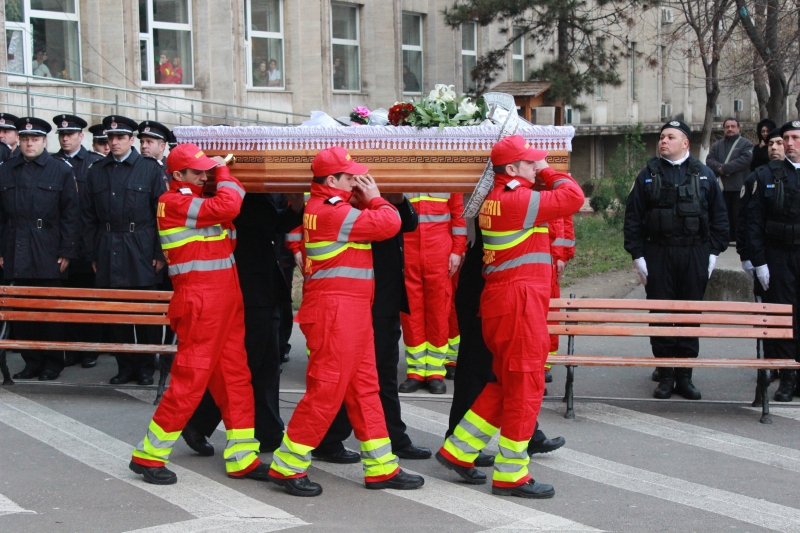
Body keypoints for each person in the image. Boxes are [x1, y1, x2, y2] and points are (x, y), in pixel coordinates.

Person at [267, 147, 424, 497]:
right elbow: (390, 223)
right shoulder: (331, 211)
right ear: (332, 180)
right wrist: (376, 198)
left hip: (346, 311)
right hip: (336, 313)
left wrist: (362, 197)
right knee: (326, 391)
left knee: (365, 388)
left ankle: (381, 466)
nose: (358, 179)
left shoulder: (329, 206)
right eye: (350, 175)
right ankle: (287, 465)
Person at [437, 135, 584, 499]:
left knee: (504, 383)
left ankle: (459, 449)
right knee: (526, 386)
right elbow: (574, 198)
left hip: (506, 301)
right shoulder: (517, 198)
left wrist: (538, 169)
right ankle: (511, 475)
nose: (537, 165)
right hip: (518, 303)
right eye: (531, 162)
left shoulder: (500, 197)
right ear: (512, 169)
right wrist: (550, 172)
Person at [130, 143, 271, 485]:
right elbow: (228, 204)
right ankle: (148, 456)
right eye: (198, 172)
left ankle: (242, 457)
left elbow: (224, 227)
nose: (205, 175)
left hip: (223, 300)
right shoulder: (173, 201)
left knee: (236, 379)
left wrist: (214, 175)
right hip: (201, 302)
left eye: (207, 169)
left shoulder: (196, 200)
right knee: (190, 380)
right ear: (177, 175)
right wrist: (224, 171)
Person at [311, 193, 433, 463]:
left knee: (383, 372)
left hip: (385, 298)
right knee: (360, 376)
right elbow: (387, 224)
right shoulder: (349, 207)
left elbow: (408, 223)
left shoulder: (381, 201)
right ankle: (329, 439)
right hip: (366, 299)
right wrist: (376, 198)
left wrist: (397, 198)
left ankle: (391, 437)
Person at [182, 190, 303, 457]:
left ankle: (268, 431)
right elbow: (268, 223)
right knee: (247, 365)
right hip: (248, 290)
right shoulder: (242, 196)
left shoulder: (259, 194)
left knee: (268, 364)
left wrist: (295, 207)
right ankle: (197, 422)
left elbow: (274, 226)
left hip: (265, 287)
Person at [446, 215, 566, 469]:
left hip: (497, 291)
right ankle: (463, 442)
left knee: (502, 376)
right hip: (491, 292)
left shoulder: (507, 196)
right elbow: (569, 198)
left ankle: (465, 445)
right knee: (481, 370)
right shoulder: (510, 198)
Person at [625, 120, 728, 400]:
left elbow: (720, 217)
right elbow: (633, 218)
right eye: (661, 137)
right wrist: (638, 256)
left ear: (685, 143)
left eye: (670, 137)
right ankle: (665, 374)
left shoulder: (704, 175)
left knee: (689, 314)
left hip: (694, 253)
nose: (663, 141)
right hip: (658, 253)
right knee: (661, 314)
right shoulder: (647, 175)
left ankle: (685, 374)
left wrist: (712, 253)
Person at [83, 116, 167, 386]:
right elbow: (87, 217)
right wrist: (94, 254)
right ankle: (124, 366)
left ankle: (145, 366)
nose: (115, 142)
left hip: (139, 245)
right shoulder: (96, 170)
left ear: (132, 140)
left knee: (145, 312)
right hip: (108, 246)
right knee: (115, 313)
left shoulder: (150, 169)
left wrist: (159, 252)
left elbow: (161, 214)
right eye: (111, 138)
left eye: (120, 137)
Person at [1, 117, 80, 380]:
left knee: (50, 309)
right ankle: (31, 360)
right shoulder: (7, 169)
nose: (29, 143)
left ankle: (52, 362)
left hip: (48, 245)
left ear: (45, 141)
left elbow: (71, 213)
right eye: (24, 139)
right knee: (22, 310)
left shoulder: (60, 170)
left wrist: (67, 250)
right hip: (16, 244)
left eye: (34, 139)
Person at [746, 120, 800, 402]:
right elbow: (754, 222)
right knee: (783, 317)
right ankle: (787, 377)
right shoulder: (768, 175)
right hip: (778, 255)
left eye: (795, 138)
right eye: (786, 138)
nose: (790, 143)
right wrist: (759, 262)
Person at [398, 192, 467, 394]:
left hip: (439, 253)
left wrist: (457, 249)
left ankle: (436, 372)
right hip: (409, 252)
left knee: (439, 314)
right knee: (411, 314)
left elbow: (458, 215)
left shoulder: (444, 175)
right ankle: (416, 371)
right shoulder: (403, 175)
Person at [52, 114, 105, 368]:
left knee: (90, 300)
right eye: (61, 135)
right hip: (60, 242)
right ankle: (71, 350)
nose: (65, 138)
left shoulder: (94, 163)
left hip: (87, 242)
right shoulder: (52, 163)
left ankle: (90, 349)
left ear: (80, 137)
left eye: (70, 134)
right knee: (66, 300)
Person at [737, 128, 785, 296]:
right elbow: (744, 220)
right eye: (771, 144)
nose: (774, 147)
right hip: (764, 253)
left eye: (779, 143)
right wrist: (745, 256)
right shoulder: (756, 178)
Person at [706, 118, 753, 242]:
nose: (730, 129)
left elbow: (744, 160)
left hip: (739, 187)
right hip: (722, 187)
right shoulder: (717, 145)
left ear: (738, 128)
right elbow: (709, 160)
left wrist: (724, 169)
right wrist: (719, 168)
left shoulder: (746, 144)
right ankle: (725, 237)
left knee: (738, 215)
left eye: (733, 126)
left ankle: (739, 238)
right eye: (727, 127)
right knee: (723, 214)